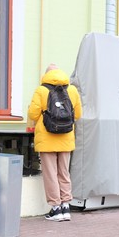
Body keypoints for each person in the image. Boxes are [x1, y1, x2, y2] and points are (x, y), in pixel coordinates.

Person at [28, 63, 82, 222]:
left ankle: (55, 208)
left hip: (46, 138)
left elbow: (32, 113)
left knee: (50, 174)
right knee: (64, 172)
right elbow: (77, 114)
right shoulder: (72, 90)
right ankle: (66, 206)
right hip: (66, 137)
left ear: (46, 76)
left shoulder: (41, 90)